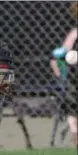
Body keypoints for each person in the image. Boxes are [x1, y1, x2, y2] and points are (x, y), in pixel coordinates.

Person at [49, 2, 78, 146]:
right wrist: (60, 72)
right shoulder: (75, 34)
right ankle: (75, 134)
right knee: (72, 106)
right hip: (74, 78)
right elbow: (57, 57)